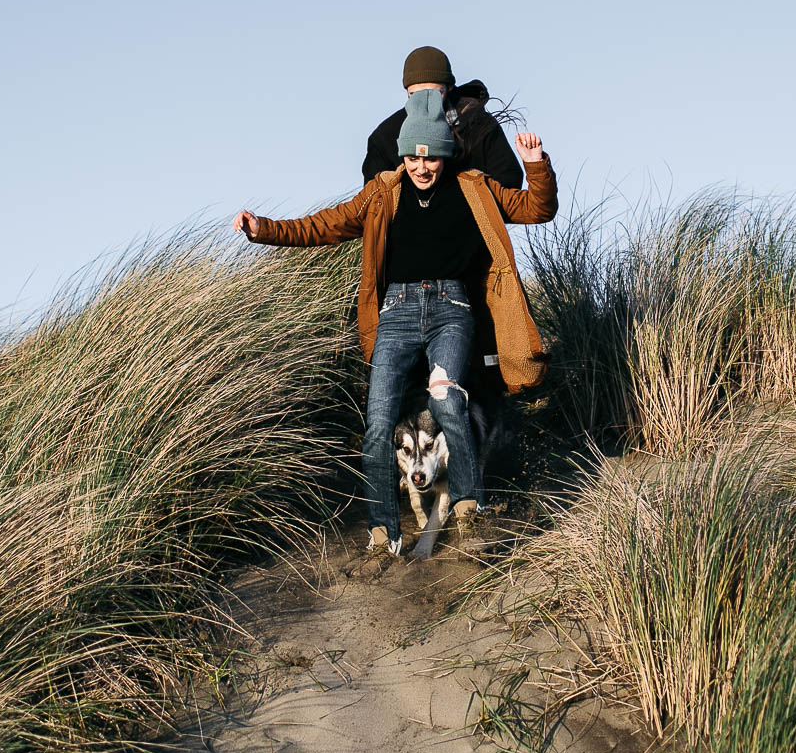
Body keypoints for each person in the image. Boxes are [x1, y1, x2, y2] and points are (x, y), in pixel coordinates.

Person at [234, 88, 557, 558]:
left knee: (447, 400)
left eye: (430, 159)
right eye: (412, 157)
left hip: (453, 309)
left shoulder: (473, 188)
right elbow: (324, 225)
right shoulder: (382, 193)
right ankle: (383, 531)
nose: (421, 168)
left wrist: (536, 166)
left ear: (444, 155)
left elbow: (536, 208)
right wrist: (266, 229)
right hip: (397, 314)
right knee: (378, 422)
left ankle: (469, 511)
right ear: (403, 153)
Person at [360, 46, 523, 190]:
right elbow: (374, 197)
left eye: (435, 94)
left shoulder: (480, 124)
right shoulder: (385, 137)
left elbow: (509, 180)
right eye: (415, 95)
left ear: (450, 87)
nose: (425, 101)